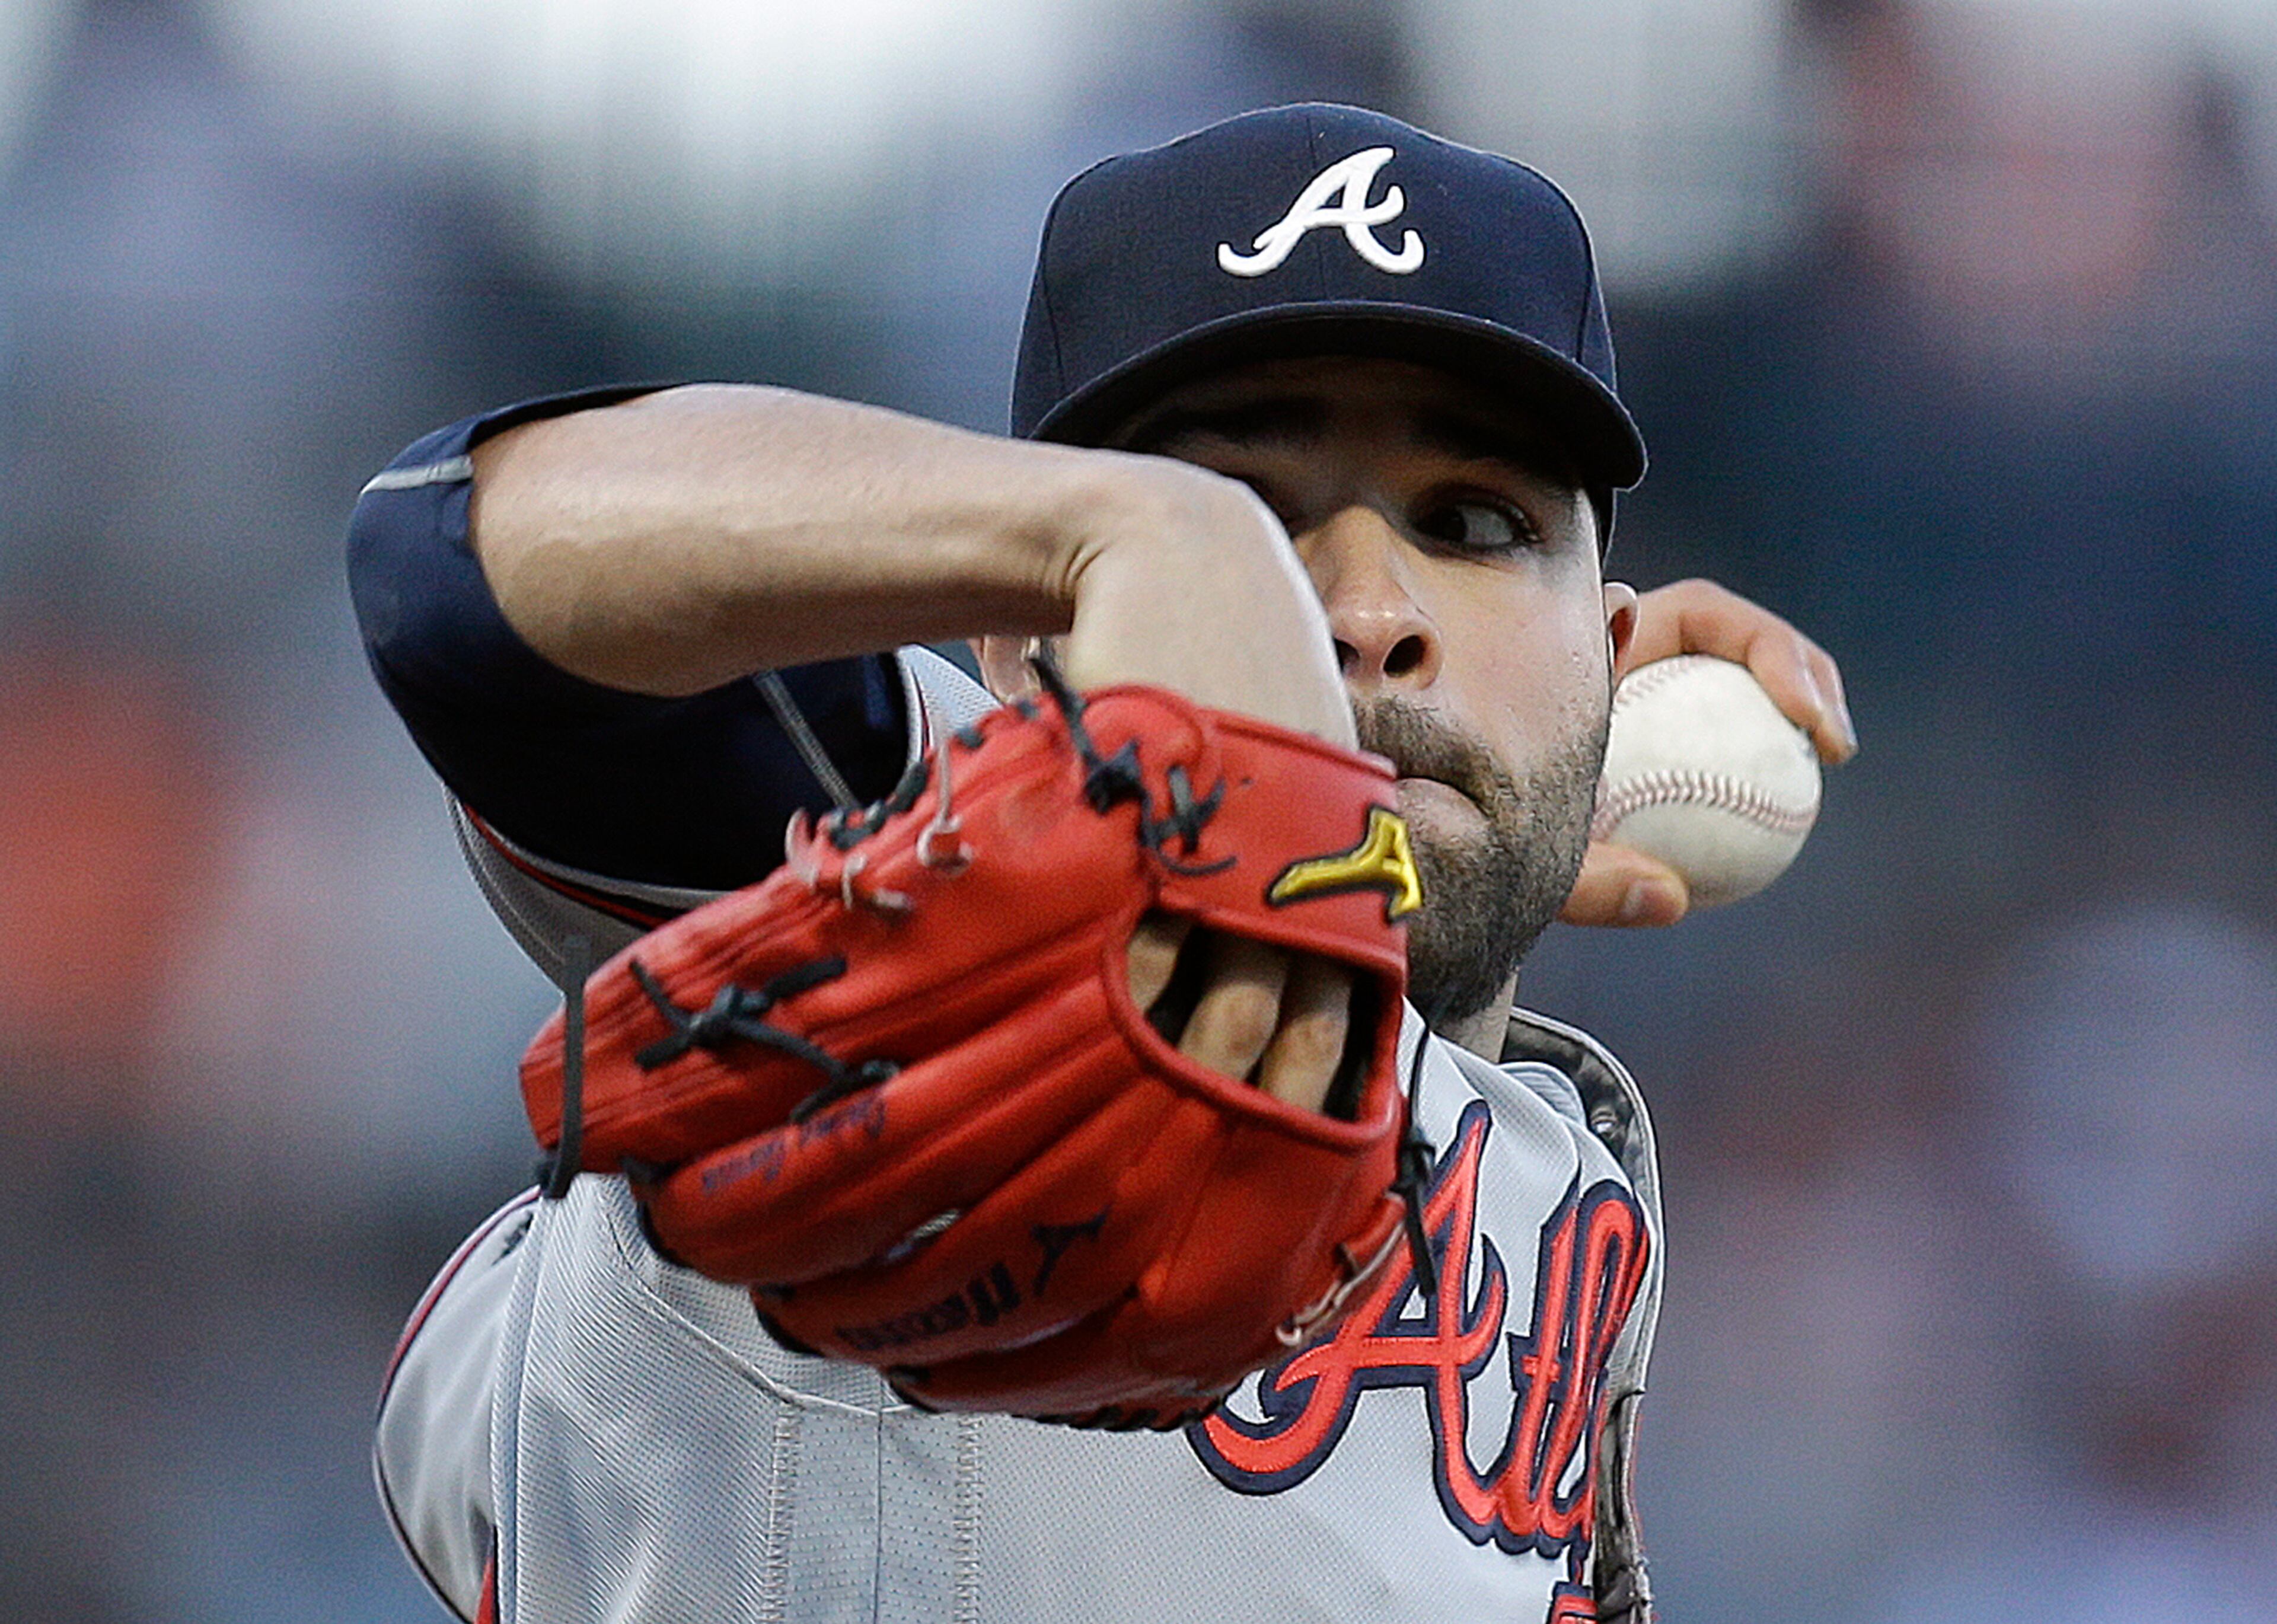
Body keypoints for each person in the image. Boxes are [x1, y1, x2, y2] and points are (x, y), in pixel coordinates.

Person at [351, 103, 1853, 1624]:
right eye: (1249, 512)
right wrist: (1136, 543)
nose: (1364, 607)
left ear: (1607, 665)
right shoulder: (924, 871)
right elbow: (448, 563)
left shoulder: (1545, 1153)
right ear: (1018, 642)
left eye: (1473, 521)